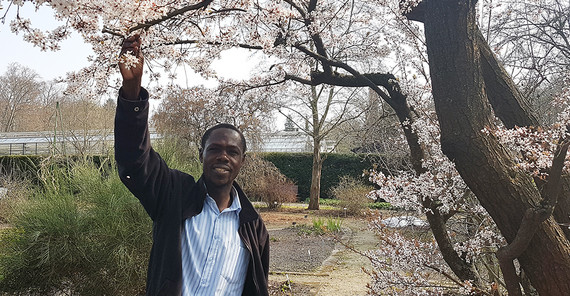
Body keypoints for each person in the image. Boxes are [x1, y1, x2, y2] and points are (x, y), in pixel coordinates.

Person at [114, 34, 270, 296]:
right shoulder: (174, 194)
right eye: (215, 149)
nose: (223, 157)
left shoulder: (253, 226)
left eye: (232, 152)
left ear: (242, 161)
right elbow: (135, 160)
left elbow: (256, 287)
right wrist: (132, 93)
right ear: (201, 154)